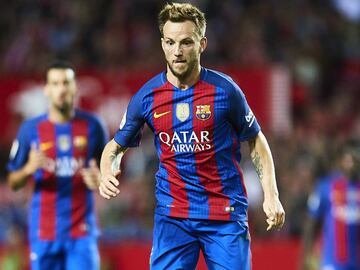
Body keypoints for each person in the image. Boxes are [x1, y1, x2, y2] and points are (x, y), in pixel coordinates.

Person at [99, 3, 285, 270]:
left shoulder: (226, 91)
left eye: (186, 42)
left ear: (202, 44)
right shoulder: (147, 97)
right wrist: (107, 170)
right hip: (173, 217)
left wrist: (271, 194)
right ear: (162, 44)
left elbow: (256, 140)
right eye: (170, 42)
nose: (177, 51)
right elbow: (115, 147)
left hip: (224, 214)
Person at [7, 61, 108, 270]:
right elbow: (13, 182)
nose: (61, 89)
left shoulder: (94, 126)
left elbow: (109, 173)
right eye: (55, 84)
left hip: (82, 232)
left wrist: (101, 180)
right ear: (46, 89)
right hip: (44, 232)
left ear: (75, 87)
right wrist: (28, 169)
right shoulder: (30, 130)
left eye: (65, 83)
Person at [303, 140, 360, 270]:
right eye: (349, 159)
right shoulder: (326, 186)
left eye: (355, 159)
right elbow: (311, 223)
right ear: (341, 161)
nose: (352, 163)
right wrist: (306, 255)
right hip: (332, 262)